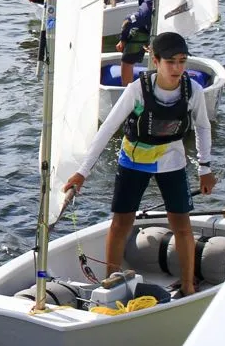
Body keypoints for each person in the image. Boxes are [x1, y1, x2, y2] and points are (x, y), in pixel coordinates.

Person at [62, 31, 214, 296]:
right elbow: (107, 129)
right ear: (155, 61)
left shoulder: (194, 91)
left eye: (182, 61)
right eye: (170, 62)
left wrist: (205, 168)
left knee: (181, 224)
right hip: (134, 161)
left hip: (171, 162)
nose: (177, 68)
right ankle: (111, 282)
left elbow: (202, 127)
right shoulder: (137, 90)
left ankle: (188, 284)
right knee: (121, 222)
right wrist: (82, 172)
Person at [115, 0, 154, 85]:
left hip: (166, 27)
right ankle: (127, 89)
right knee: (127, 59)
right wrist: (123, 40)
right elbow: (127, 21)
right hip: (145, 26)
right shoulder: (145, 13)